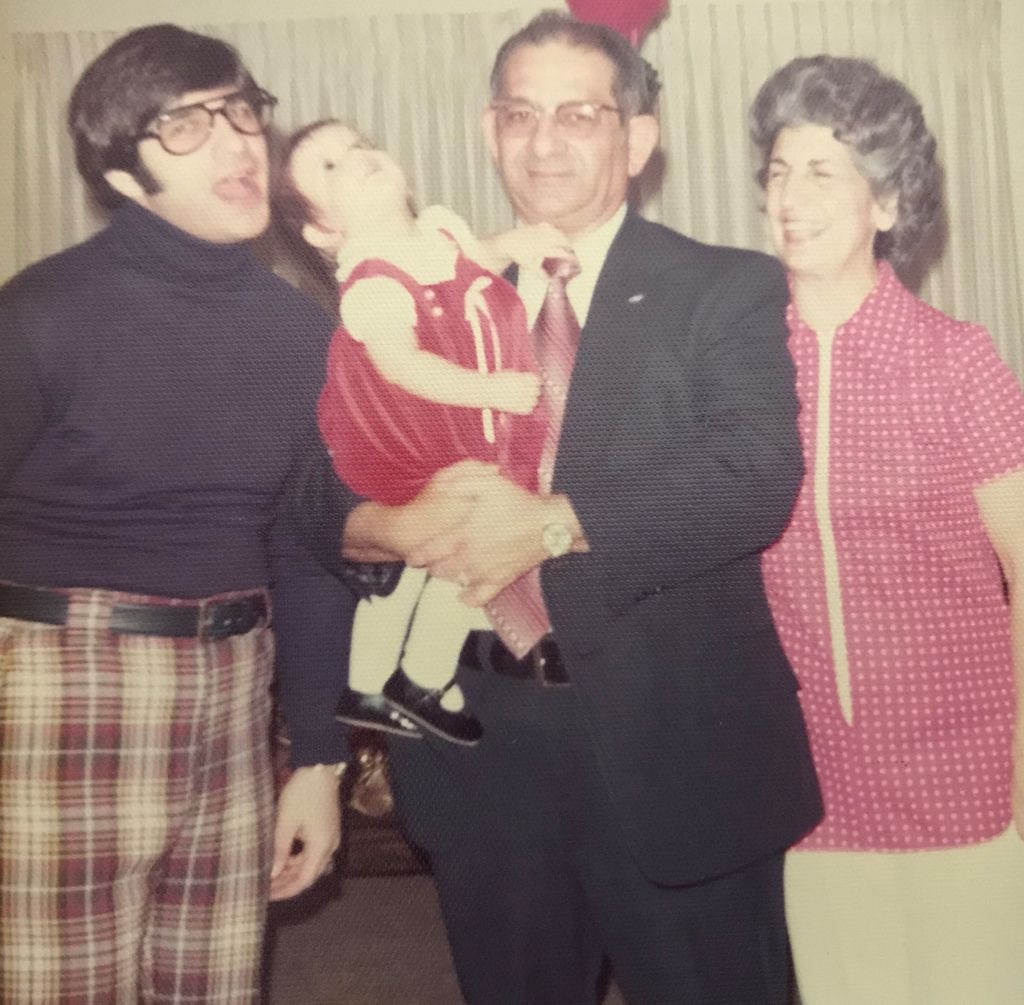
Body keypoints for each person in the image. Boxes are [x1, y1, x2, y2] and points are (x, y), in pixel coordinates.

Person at [290, 10, 822, 1003]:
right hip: (479, 749)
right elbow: (316, 491)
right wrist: (390, 524)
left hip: (676, 749)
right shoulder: (421, 281)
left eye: (578, 115)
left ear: (638, 138)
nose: (543, 142)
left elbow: (753, 472)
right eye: (519, 115)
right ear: (489, 132)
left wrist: (548, 525)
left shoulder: (725, 286)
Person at [0, 24, 352, 1003]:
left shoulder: (303, 333)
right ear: (123, 172)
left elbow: (303, 550)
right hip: (61, 685)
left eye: (240, 111)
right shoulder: (39, 313)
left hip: (235, 686)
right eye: (187, 124)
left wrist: (319, 756)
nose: (236, 141)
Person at [750, 54, 1024, 1004]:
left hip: (966, 774)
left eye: (823, 172)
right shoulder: (742, 364)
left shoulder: (957, 363)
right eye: (779, 171)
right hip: (811, 787)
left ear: (888, 203)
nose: (791, 196)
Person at [276, 120, 568, 745]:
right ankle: (377, 682)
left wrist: (513, 242)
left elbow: (475, 260)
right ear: (323, 230)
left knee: (450, 561)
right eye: (330, 167)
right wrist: (490, 389)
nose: (357, 158)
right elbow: (402, 366)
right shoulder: (373, 282)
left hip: (455, 437)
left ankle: (412, 677)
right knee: (420, 560)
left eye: (359, 145)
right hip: (405, 442)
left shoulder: (438, 233)